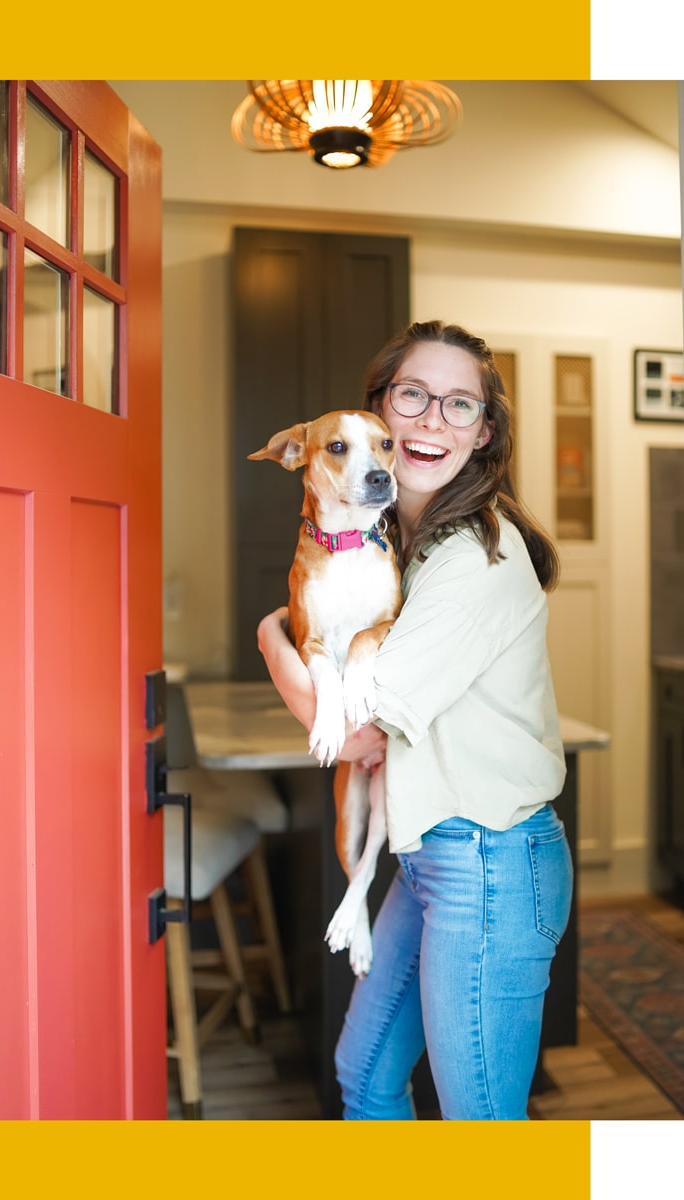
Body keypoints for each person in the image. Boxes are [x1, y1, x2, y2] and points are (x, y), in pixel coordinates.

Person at [256, 319, 573, 1121]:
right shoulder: (405, 543)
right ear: (378, 419)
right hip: (433, 857)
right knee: (364, 1075)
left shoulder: (474, 558)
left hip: (492, 862)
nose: (434, 419)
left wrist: (271, 636)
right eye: (414, 396)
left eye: (460, 404)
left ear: (485, 432)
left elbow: (360, 737)